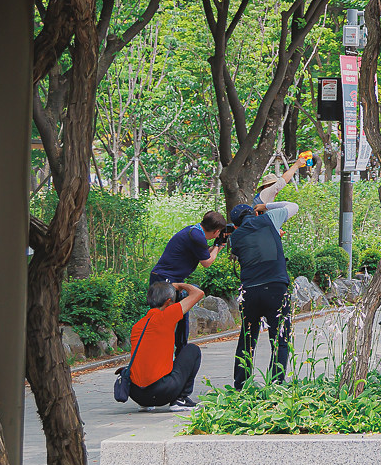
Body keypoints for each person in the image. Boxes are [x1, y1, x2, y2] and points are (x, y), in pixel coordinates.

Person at [228, 153, 309, 387]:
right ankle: (275, 384)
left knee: (247, 338)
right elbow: (293, 206)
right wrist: (265, 207)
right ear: (254, 212)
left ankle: (241, 385)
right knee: (280, 338)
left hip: (250, 292)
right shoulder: (269, 219)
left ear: (235, 224)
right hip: (276, 287)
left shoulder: (234, 238)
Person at [148, 209, 227, 357]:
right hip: (164, 279)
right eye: (219, 233)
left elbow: (204, 253)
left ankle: (180, 352)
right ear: (216, 231)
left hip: (169, 279)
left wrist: (216, 245)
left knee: (181, 315)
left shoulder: (195, 231)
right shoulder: (197, 237)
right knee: (163, 321)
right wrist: (218, 246)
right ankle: (159, 354)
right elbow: (207, 262)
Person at [126, 280, 204, 409]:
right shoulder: (167, 315)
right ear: (168, 302)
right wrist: (179, 286)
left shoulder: (137, 326)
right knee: (192, 350)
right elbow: (198, 293)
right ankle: (180, 400)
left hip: (136, 394)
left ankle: (146, 404)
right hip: (161, 392)